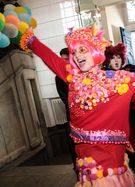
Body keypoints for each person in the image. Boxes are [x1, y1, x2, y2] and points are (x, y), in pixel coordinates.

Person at [19, 26, 135, 187]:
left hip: (108, 155)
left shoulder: (119, 80)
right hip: (83, 155)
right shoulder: (73, 77)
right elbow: (50, 58)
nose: (78, 56)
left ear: (95, 51)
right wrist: (32, 41)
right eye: (74, 52)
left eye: (83, 50)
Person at [103, 43, 135, 181]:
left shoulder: (129, 70)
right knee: (115, 147)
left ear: (123, 58)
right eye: (113, 57)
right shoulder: (103, 74)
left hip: (129, 115)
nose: (116, 60)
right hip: (112, 118)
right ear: (108, 59)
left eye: (118, 57)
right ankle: (117, 173)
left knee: (132, 143)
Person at [54, 48, 78, 179]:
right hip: (73, 115)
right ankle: (77, 168)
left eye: (67, 59)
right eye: (63, 59)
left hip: (88, 115)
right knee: (74, 143)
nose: (65, 62)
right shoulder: (58, 77)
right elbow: (64, 98)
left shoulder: (79, 73)